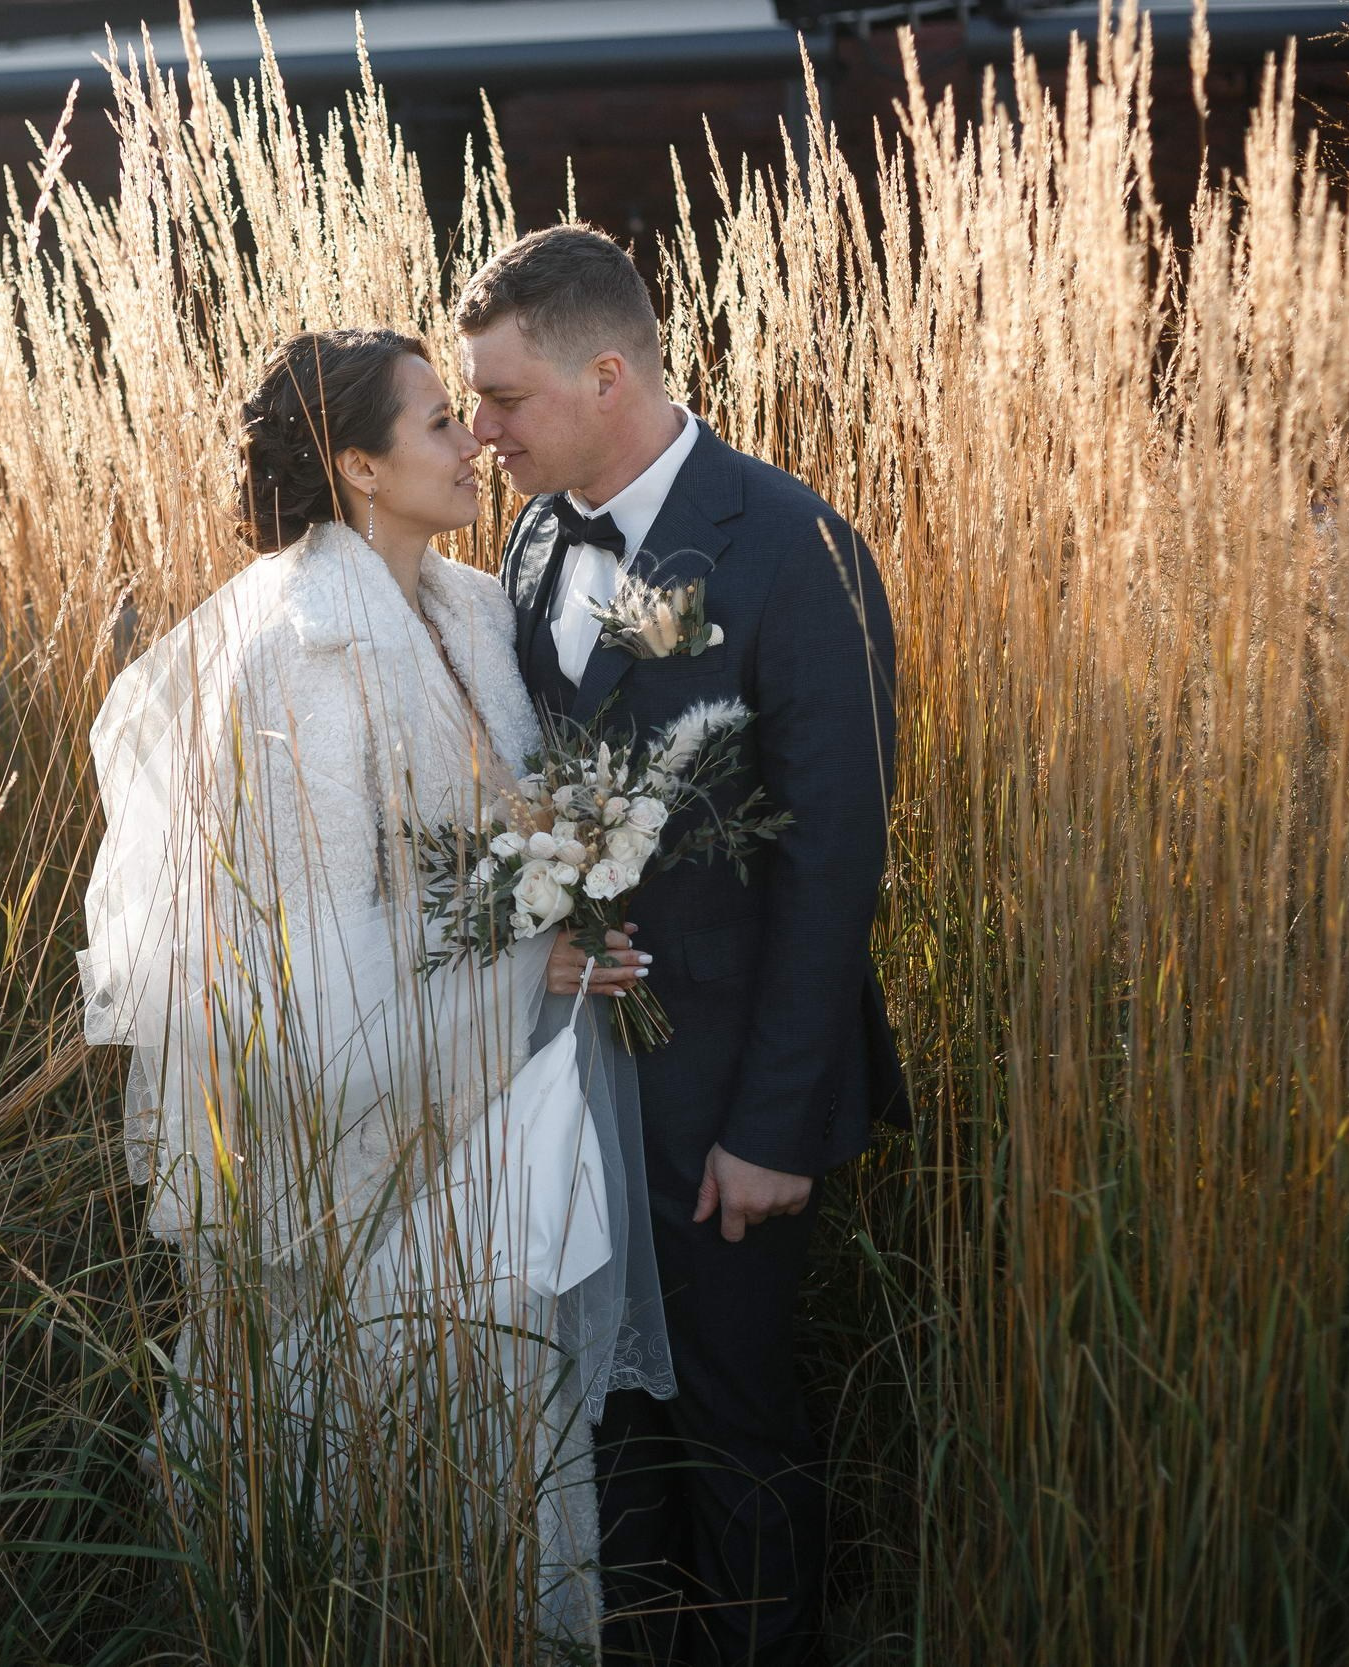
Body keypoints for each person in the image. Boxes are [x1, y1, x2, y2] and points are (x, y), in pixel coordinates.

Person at [77, 327, 674, 1653]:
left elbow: (493, 836)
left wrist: (566, 888)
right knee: (362, 1425)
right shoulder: (303, 650)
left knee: (502, 1421)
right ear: (356, 465)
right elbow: (322, 953)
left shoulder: (467, 608)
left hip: (489, 1112)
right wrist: (535, 955)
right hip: (367, 1132)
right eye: (436, 425)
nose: (476, 443)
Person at [458, 226, 907, 1667]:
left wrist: (773, 1127)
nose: (482, 433)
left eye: (507, 401)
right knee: (606, 1427)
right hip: (570, 1087)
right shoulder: (531, 541)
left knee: (737, 1424)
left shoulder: (793, 547)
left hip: (728, 1101)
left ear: (607, 373)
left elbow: (835, 867)